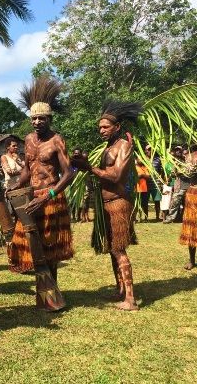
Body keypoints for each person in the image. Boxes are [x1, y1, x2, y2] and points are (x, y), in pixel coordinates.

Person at [8, 76, 74, 310]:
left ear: (49, 119)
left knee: (50, 247)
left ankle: (51, 293)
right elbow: (28, 168)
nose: (37, 122)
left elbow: (68, 174)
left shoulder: (57, 140)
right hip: (30, 197)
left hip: (50, 198)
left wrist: (49, 196)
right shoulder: (27, 139)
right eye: (34, 118)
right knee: (34, 245)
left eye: (41, 118)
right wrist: (16, 185)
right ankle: (43, 294)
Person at [73, 101, 141, 311]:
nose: (101, 130)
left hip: (119, 203)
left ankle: (130, 298)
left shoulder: (124, 146)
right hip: (106, 204)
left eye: (105, 127)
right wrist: (83, 163)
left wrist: (90, 167)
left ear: (117, 127)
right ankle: (120, 288)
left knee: (119, 248)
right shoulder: (108, 148)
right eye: (100, 127)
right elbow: (101, 174)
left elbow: (116, 175)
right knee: (113, 248)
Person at [179, 146, 197, 270]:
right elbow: (186, 173)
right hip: (193, 193)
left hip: (192, 192)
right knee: (191, 227)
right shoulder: (190, 156)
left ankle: (191, 261)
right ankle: (192, 260)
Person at [164, 147, 190, 224]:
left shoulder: (191, 162)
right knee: (174, 203)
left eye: (186, 154)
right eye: (184, 154)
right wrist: (178, 172)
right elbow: (172, 174)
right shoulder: (177, 163)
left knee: (188, 204)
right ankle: (170, 218)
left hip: (190, 186)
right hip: (180, 186)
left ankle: (186, 218)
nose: (185, 155)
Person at [144, 144, 162, 221]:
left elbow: (161, 171)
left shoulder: (158, 159)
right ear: (145, 150)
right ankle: (146, 217)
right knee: (145, 201)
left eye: (151, 149)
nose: (150, 151)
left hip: (156, 184)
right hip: (145, 184)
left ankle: (157, 217)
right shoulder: (143, 159)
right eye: (148, 149)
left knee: (157, 201)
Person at [135, 156, 150, 222]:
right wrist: (142, 175)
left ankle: (146, 218)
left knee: (145, 204)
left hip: (144, 189)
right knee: (137, 204)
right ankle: (138, 218)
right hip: (136, 189)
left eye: (142, 159)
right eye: (139, 159)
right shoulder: (134, 167)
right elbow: (134, 177)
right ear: (137, 159)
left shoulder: (144, 167)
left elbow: (148, 176)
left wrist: (141, 175)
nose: (141, 160)